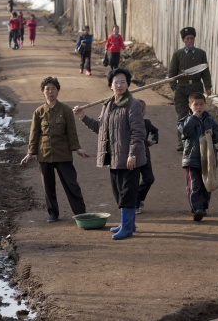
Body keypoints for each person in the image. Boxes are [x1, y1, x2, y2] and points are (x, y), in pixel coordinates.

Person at [73, 68, 146, 240]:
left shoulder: (133, 104)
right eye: (116, 82)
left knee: (128, 192)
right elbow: (101, 128)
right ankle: (128, 223)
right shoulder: (108, 105)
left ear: (128, 84)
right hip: (114, 157)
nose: (119, 85)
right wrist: (83, 117)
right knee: (119, 192)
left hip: (129, 158)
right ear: (110, 86)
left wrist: (133, 154)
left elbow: (138, 132)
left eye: (122, 82)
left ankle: (127, 228)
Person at [20, 77, 89, 222]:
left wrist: (77, 148)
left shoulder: (66, 110)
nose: (50, 92)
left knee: (71, 184)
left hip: (63, 154)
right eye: (47, 89)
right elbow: (34, 134)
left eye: (53, 89)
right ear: (43, 92)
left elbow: (72, 132)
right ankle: (53, 213)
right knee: (48, 187)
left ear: (58, 91)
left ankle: (80, 212)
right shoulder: (38, 112)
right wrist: (30, 153)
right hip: (44, 155)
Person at [177, 92, 218, 222]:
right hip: (192, 159)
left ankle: (203, 208)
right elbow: (185, 131)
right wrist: (194, 118)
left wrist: (213, 134)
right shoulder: (184, 121)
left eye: (201, 104)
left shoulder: (210, 120)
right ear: (190, 106)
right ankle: (196, 209)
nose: (199, 107)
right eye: (195, 104)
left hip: (208, 159)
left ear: (205, 105)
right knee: (194, 185)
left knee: (206, 185)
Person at [168, 27, 212, 151]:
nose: (190, 41)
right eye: (187, 38)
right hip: (181, 89)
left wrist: (208, 87)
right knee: (182, 116)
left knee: (197, 114)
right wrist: (174, 88)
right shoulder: (177, 55)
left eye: (192, 38)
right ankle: (181, 143)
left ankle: (197, 140)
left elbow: (205, 72)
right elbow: (171, 74)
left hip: (196, 89)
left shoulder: (200, 54)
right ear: (183, 40)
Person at [135, 99, 158, 214]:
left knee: (149, 178)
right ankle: (134, 205)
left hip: (145, 156)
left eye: (142, 108)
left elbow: (155, 131)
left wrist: (154, 140)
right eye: (137, 108)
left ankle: (138, 198)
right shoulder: (128, 123)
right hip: (132, 156)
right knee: (133, 181)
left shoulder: (147, 123)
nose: (140, 111)